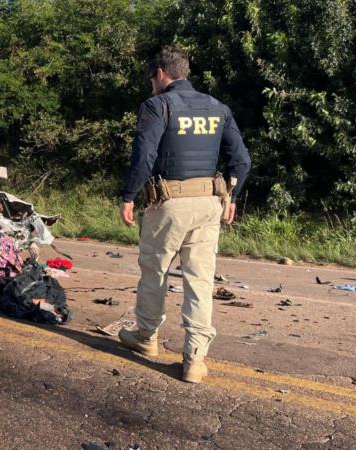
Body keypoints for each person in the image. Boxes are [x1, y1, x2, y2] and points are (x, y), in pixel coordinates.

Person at [117, 46, 251, 383]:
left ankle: (146, 337)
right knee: (200, 282)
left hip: (169, 203)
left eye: (152, 78)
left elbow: (144, 155)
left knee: (155, 271)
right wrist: (231, 194)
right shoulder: (218, 108)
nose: (151, 85)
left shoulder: (157, 105)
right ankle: (194, 360)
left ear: (161, 74)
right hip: (210, 203)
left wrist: (128, 196)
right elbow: (241, 160)